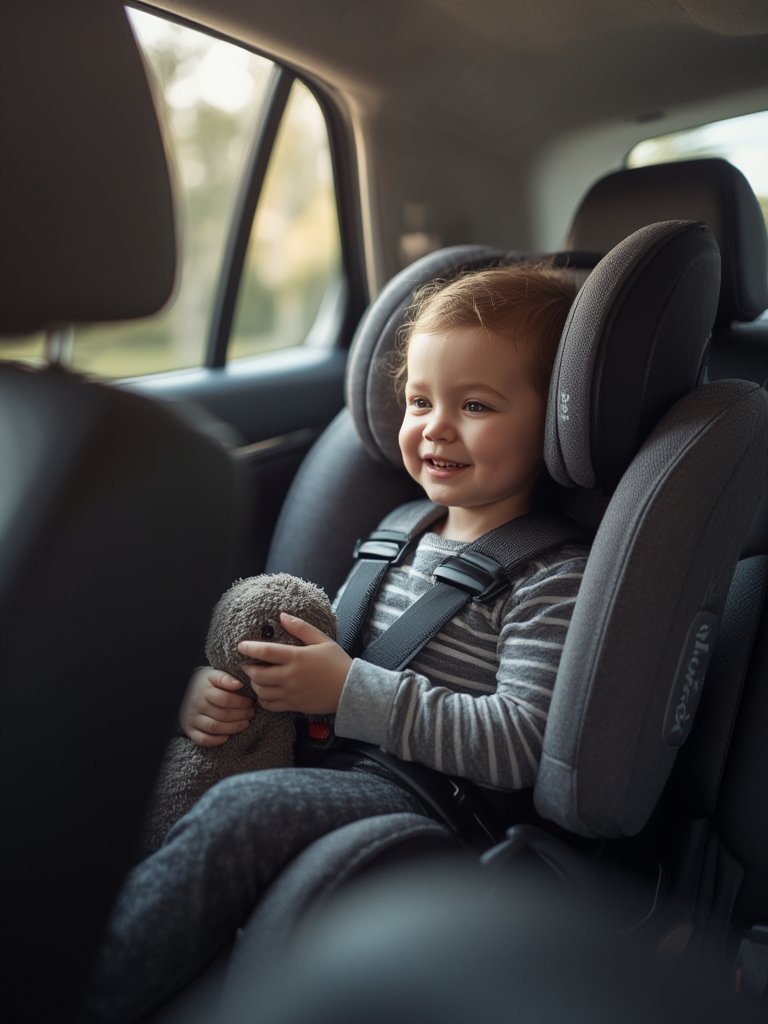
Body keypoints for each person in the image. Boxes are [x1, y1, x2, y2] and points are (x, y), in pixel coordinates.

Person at [84, 261, 590, 1022]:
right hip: (317, 749)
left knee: (242, 817)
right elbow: (305, 649)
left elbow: (522, 741)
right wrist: (225, 689)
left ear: (554, 422)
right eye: (420, 401)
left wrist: (349, 693)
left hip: (424, 797)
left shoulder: (551, 576)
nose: (434, 427)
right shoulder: (398, 532)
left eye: (476, 404)